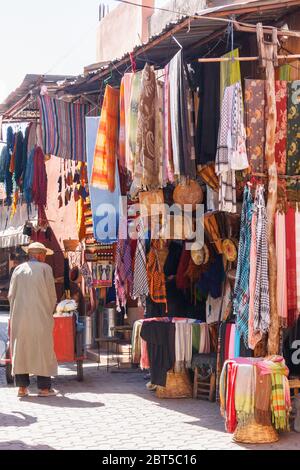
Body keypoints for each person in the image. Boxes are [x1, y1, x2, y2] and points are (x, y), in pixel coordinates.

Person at [8, 242, 58, 398]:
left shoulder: (18, 270)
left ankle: (22, 388)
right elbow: (51, 296)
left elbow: (11, 295)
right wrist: (48, 312)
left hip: (20, 318)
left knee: (21, 349)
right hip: (40, 317)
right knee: (43, 349)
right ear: (41, 255)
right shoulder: (45, 269)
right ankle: (44, 388)